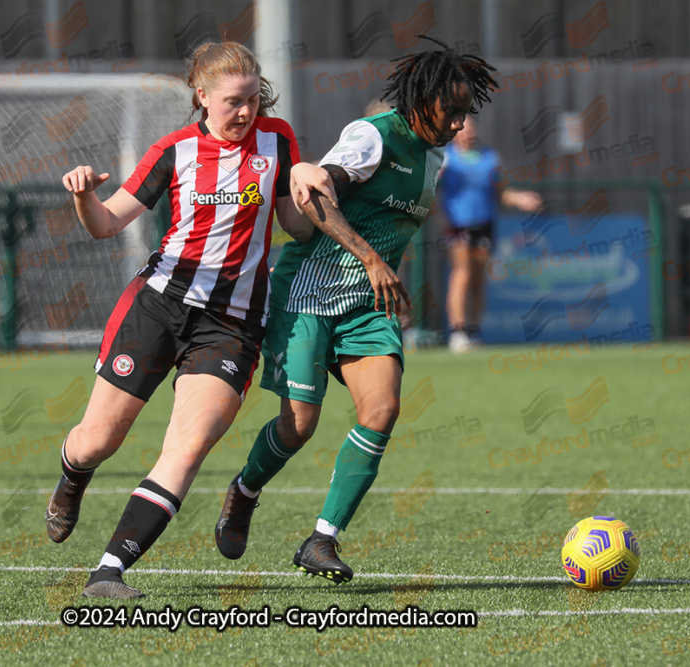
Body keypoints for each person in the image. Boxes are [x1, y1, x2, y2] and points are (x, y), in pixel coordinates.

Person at [47, 41, 329, 598]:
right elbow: (105, 224)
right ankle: (73, 477)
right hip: (157, 306)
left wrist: (308, 190)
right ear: (201, 96)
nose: (244, 112)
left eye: (251, 99)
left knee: (188, 447)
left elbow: (297, 228)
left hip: (233, 324)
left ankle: (109, 572)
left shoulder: (278, 139)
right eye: (231, 102)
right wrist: (84, 196)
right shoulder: (173, 150)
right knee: (96, 441)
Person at [213, 37, 498, 584]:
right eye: (452, 110)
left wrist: (382, 272)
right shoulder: (373, 136)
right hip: (306, 295)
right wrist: (370, 258)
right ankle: (245, 491)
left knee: (383, 410)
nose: (460, 123)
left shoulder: (435, 157)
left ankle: (322, 540)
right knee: (299, 426)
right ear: (424, 99)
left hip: (367, 307)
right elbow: (315, 196)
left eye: (467, 113)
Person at [437, 116, 542, 352]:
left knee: (478, 280)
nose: (467, 132)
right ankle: (458, 332)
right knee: (461, 275)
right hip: (458, 225)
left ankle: (474, 331)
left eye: (471, 128)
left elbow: (502, 193)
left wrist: (520, 199)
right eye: (462, 128)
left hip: (484, 225)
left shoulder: (490, 158)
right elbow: (433, 189)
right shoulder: (446, 159)